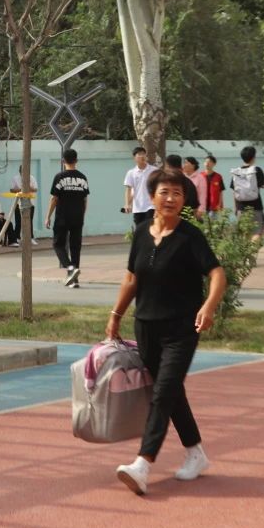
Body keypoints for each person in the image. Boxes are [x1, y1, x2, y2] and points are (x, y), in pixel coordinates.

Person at [107, 167, 227, 496]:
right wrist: (116, 314)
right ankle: (196, 453)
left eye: (177, 193)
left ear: (184, 199)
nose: (171, 198)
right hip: (146, 326)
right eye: (165, 192)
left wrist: (208, 307)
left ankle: (142, 464)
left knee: (163, 393)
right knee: (170, 392)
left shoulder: (190, 237)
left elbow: (217, 274)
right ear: (152, 196)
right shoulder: (142, 232)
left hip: (181, 329)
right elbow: (131, 278)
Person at [46, 148, 89, 288]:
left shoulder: (59, 177)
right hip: (78, 217)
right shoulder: (82, 178)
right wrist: (82, 215)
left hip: (62, 217)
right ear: (76, 160)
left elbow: (54, 199)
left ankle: (70, 268)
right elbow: (85, 200)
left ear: (63, 161)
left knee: (58, 244)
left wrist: (48, 216)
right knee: (75, 247)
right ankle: (74, 280)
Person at [228, 145, 264, 241]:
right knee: (257, 233)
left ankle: (246, 250)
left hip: (241, 208)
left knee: (244, 234)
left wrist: (236, 208)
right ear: (253, 157)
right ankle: (252, 248)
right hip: (256, 207)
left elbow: (234, 191)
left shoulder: (236, 172)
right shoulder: (256, 170)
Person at [123, 147, 157, 229]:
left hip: (151, 206)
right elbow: (129, 190)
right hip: (138, 207)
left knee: (150, 228)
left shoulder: (154, 170)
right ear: (134, 157)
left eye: (143, 154)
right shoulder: (131, 173)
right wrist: (127, 204)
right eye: (139, 154)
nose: (142, 156)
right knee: (139, 229)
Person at [7, 165, 38, 246]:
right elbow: (11, 189)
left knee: (30, 220)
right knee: (18, 221)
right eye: (22, 171)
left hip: (30, 202)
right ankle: (17, 237)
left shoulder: (32, 178)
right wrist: (21, 190)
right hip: (18, 202)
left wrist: (28, 188)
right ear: (20, 171)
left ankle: (31, 238)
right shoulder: (15, 178)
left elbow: (35, 189)